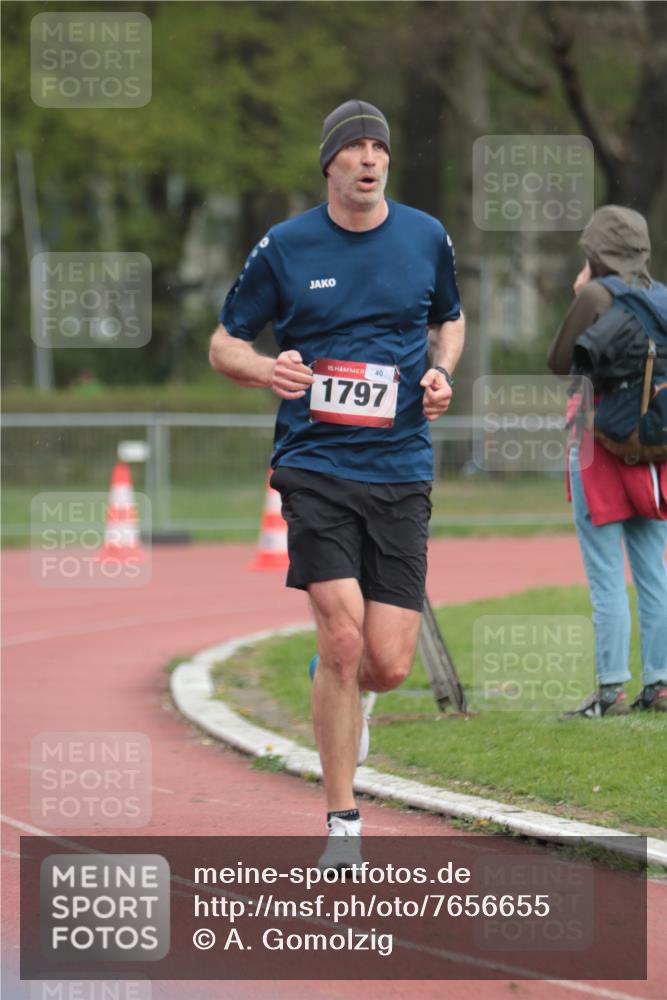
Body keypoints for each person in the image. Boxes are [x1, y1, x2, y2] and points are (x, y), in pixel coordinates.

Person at [209, 99, 464, 861]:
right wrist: (266, 368)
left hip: (400, 466)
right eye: (352, 146)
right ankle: (342, 823)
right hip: (314, 464)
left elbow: (450, 317)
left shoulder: (425, 237)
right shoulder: (285, 247)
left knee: (383, 662)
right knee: (345, 633)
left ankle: (342, 680)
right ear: (329, 162)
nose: (367, 157)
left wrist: (442, 373)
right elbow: (225, 343)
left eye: (377, 146)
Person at [547, 205, 667, 718]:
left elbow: (559, 362)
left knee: (604, 573)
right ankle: (660, 683)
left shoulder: (596, 293)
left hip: (598, 445)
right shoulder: (659, 295)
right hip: (655, 449)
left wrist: (582, 292)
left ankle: (610, 690)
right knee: (652, 572)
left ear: (595, 251)